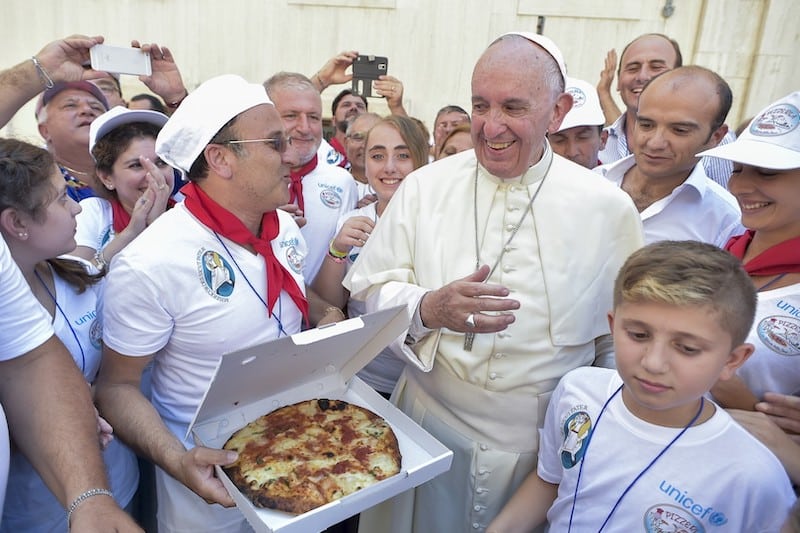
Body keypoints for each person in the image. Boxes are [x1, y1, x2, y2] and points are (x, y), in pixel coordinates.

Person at [345, 32, 643, 533]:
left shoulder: (608, 210)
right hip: (426, 425)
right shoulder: (425, 186)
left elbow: (617, 343)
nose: (491, 126)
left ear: (557, 111)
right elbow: (370, 291)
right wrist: (426, 308)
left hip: (538, 457)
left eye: (513, 107)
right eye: (480, 105)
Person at [95, 74, 344, 533]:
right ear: (221, 159)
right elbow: (115, 387)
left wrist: (326, 313)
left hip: (304, 451)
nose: (293, 154)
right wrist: (177, 460)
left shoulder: (282, 229)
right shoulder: (152, 261)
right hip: (211, 488)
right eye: (276, 143)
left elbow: (288, 290)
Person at [487, 240, 795, 532]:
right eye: (638, 335)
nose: (653, 363)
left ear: (733, 360)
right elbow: (552, 480)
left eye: (687, 348)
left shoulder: (754, 476)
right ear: (613, 325)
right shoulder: (578, 391)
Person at [0, 33, 143, 532]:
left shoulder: (70, 268)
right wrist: (63, 409)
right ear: (17, 224)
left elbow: (103, 258)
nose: (78, 207)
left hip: (115, 490)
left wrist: (137, 226)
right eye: (62, 199)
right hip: (36, 515)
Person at [697, 91, 800, 484]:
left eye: (768, 173)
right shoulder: (719, 253)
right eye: (739, 169)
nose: (742, 186)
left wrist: (746, 406)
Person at [313, 115, 429, 397]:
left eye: (403, 155)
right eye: (378, 155)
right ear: (364, 162)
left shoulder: (439, 225)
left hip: (421, 383)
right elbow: (331, 304)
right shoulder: (353, 220)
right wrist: (337, 250)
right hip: (360, 378)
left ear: (421, 160)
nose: (389, 167)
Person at [594, 65, 743, 246]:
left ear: (716, 136)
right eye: (646, 125)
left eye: (679, 130)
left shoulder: (727, 221)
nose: (655, 143)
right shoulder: (592, 182)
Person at [596, 33, 735, 187]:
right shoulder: (598, 140)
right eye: (632, 68)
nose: (643, 76)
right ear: (618, 80)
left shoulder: (721, 146)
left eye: (656, 67)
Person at [264, 72, 358, 283]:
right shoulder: (245, 181)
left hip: (322, 310)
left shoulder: (342, 182)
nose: (305, 128)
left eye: (313, 117)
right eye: (291, 116)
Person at [71, 106, 173, 270]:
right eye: (136, 166)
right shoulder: (93, 212)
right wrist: (132, 233)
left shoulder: (189, 211)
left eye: (161, 163)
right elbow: (74, 282)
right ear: (106, 177)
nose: (153, 175)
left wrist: (157, 227)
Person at [548, 76, 607, 169]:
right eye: (560, 140)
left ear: (603, 139)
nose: (572, 152)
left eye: (583, 137)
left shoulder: (616, 183)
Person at [344, 112, 382, 201]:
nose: (365, 145)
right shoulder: (332, 182)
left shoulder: (396, 186)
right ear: (346, 143)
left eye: (374, 137)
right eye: (358, 137)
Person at [329, 88, 368, 166]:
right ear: (333, 120)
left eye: (360, 106)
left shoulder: (374, 156)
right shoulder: (318, 153)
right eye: (346, 105)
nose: (354, 108)